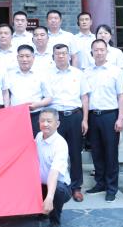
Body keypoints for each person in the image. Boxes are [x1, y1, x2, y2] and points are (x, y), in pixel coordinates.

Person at [84, 39, 123, 202]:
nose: (99, 52)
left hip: (110, 115)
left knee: (111, 153)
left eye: (102, 49)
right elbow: (85, 97)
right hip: (93, 116)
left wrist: (120, 118)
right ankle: (100, 183)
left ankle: (111, 187)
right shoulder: (87, 72)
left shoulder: (115, 71)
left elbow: (122, 96)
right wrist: (85, 119)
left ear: (107, 51)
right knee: (96, 152)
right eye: (96, 50)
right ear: (92, 52)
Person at [45, 43, 90, 202]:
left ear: (69, 56)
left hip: (74, 116)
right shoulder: (47, 74)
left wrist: (85, 119)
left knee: (75, 152)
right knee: (54, 153)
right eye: (57, 54)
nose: (61, 56)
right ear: (53, 56)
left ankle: (76, 187)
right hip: (55, 117)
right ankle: (56, 185)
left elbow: (85, 97)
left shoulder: (78, 74)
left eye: (64, 53)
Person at [36, 108, 72, 227]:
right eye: (42, 121)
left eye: (49, 121)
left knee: (57, 190)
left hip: (59, 187)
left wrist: (49, 197)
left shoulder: (60, 144)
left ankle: (55, 221)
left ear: (57, 124)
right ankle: (42, 210)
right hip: (41, 184)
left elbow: (54, 173)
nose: (45, 124)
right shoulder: (39, 136)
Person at [6, 44, 52, 136]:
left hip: (36, 115)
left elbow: (49, 98)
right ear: (17, 58)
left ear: (33, 57)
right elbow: (6, 95)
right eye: (21, 56)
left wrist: (37, 105)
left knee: (36, 141)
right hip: (16, 116)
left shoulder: (41, 74)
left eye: (27, 56)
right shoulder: (9, 74)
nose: (24, 59)